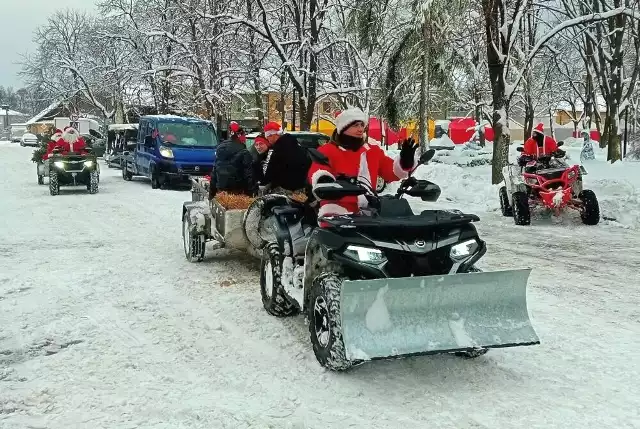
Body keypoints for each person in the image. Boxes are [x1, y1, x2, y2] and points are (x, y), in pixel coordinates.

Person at [308, 108, 419, 219]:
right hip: (336, 211)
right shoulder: (327, 150)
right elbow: (318, 169)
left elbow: (390, 171)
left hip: (369, 210)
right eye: (355, 125)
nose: (360, 129)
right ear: (343, 128)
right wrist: (324, 181)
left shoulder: (372, 151)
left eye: (362, 125)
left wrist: (404, 162)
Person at [209, 122, 257, 199]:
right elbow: (249, 175)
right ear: (240, 136)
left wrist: (211, 195)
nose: (245, 139)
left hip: (221, 193)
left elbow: (214, 173)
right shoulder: (244, 152)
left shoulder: (220, 149)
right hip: (238, 194)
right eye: (244, 136)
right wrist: (252, 195)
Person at [261, 121, 311, 192]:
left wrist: (264, 183)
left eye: (267, 136)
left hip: (284, 188)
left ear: (273, 134)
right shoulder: (296, 145)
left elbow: (269, 168)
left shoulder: (276, 149)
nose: (267, 139)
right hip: (301, 187)